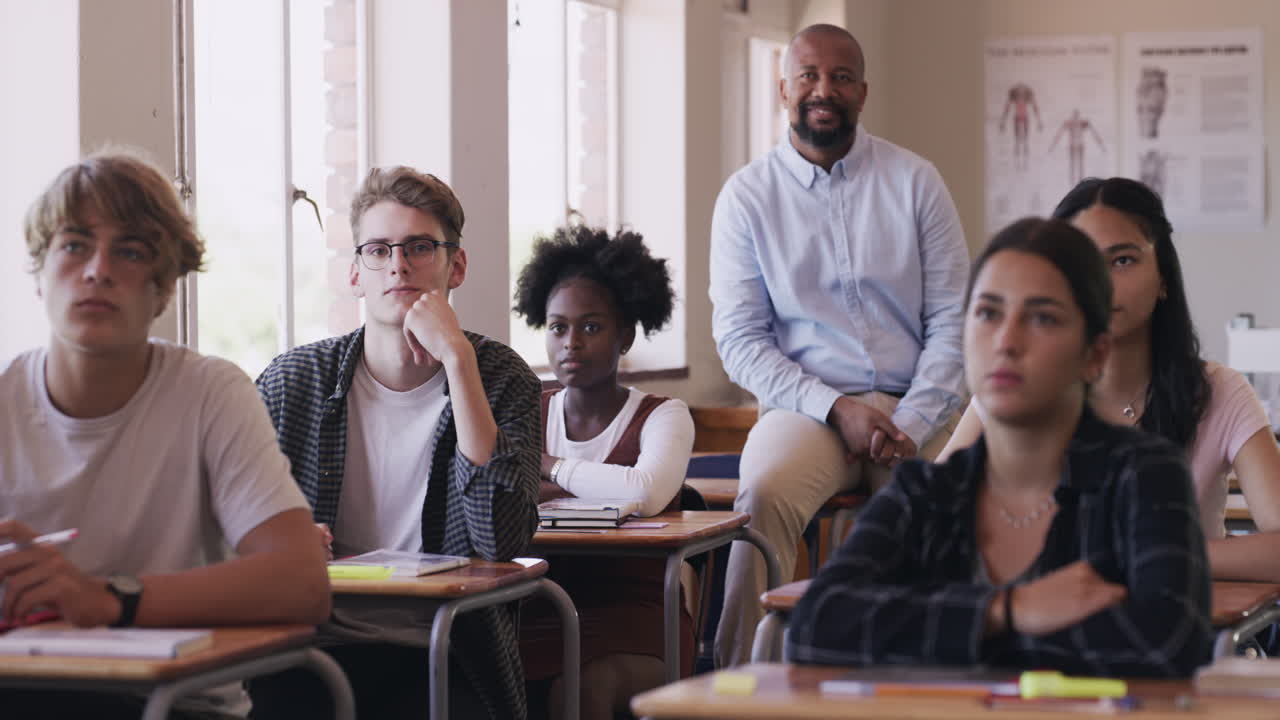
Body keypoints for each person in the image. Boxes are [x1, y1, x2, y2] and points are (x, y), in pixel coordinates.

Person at [788, 217, 1213, 676]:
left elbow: (1171, 643)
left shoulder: (1145, 474)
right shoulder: (927, 490)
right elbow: (816, 625)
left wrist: (937, 632)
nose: (1007, 342)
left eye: (1043, 318)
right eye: (988, 314)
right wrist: (1006, 610)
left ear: (1094, 355)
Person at [0, 151, 330, 718]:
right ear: (39, 272)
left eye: (130, 251)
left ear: (165, 288)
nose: (97, 270)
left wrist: (106, 598)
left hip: (173, 702)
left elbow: (302, 581)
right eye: (74, 245)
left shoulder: (209, 392)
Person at [709, 22, 969, 666]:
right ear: (784, 90)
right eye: (809, 76)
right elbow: (740, 340)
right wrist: (837, 409)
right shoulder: (747, 197)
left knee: (957, 509)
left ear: (862, 92)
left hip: (917, 407)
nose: (824, 90)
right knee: (762, 494)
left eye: (841, 77)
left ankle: (938, 676)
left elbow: (955, 320)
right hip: (806, 410)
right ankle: (738, 681)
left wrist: (909, 423)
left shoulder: (916, 181)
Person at [250, 166, 542, 720]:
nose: (398, 265)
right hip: (310, 646)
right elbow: (224, 531)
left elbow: (501, 539)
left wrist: (459, 361)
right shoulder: (293, 382)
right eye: (378, 250)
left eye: (419, 247)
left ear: (456, 266)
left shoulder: (503, 377)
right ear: (355, 273)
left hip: (448, 649)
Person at [940, 177, 1280, 582]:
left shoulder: (1220, 392)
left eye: (1123, 261)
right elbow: (927, 522)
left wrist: (1150, 555)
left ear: (1163, 278)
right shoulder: (1015, 386)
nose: (1100, 283)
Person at [512, 225, 694, 720]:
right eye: (557, 328)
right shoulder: (528, 409)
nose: (571, 343)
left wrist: (547, 468)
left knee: (582, 688)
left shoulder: (664, 415)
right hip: (539, 607)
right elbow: (505, 497)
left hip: (638, 618)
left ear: (626, 335)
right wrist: (600, 487)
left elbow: (644, 492)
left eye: (591, 327)